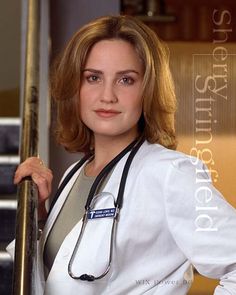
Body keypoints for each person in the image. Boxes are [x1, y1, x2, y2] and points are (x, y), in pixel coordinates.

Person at [8, 15, 236, 295]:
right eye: (93, 78)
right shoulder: (75, 175)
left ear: (147, 90)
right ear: (75, 88)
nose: (107, 96)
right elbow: (61, 274)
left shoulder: (171, 174)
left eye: (126, 80)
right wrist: (40, 216)